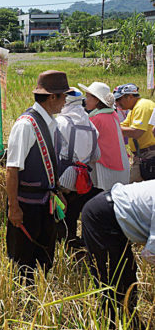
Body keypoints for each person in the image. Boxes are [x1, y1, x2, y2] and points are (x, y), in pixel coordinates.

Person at [5, 70, 73, 280]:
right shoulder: (26, 125)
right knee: (23, 259)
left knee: (44, 255)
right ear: (52, 97)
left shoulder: (50, 123)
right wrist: (14, 207)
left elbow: (49, 164)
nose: (65, 102)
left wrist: (58, 191)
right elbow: (12, 169)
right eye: (64, 97)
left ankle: (39, 298)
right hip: (26, 206)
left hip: (46, 203)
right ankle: (22, 304)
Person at [81, 179, 155, 317]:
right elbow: (151, 253)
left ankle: (129, 323)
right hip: (102, 215)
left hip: (116, 217)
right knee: (112, 282)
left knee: (128, 275)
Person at [55, 87, 102, 245]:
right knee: (73, 213)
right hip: (82, 178)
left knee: (59, 211)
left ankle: (61, 245)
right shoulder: (91, 126)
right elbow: (97, 156)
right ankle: (71, 242)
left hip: (62, 176)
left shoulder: (61, 122)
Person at [79, 82, 129, 190]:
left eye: (88, 97)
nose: (85, 100)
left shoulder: (96, 119)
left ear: (97, 100)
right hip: (120, 164)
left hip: (106, 167)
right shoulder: (112, 114)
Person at [114, 84, 155, 182]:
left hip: (149, 155)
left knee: (127, 187)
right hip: (143, 155)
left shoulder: (142, 106)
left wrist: (110, 127)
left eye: (119, 99)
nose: (117, 103)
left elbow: (136, 132)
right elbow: (122, 126)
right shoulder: (134, 109)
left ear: (130, 96)